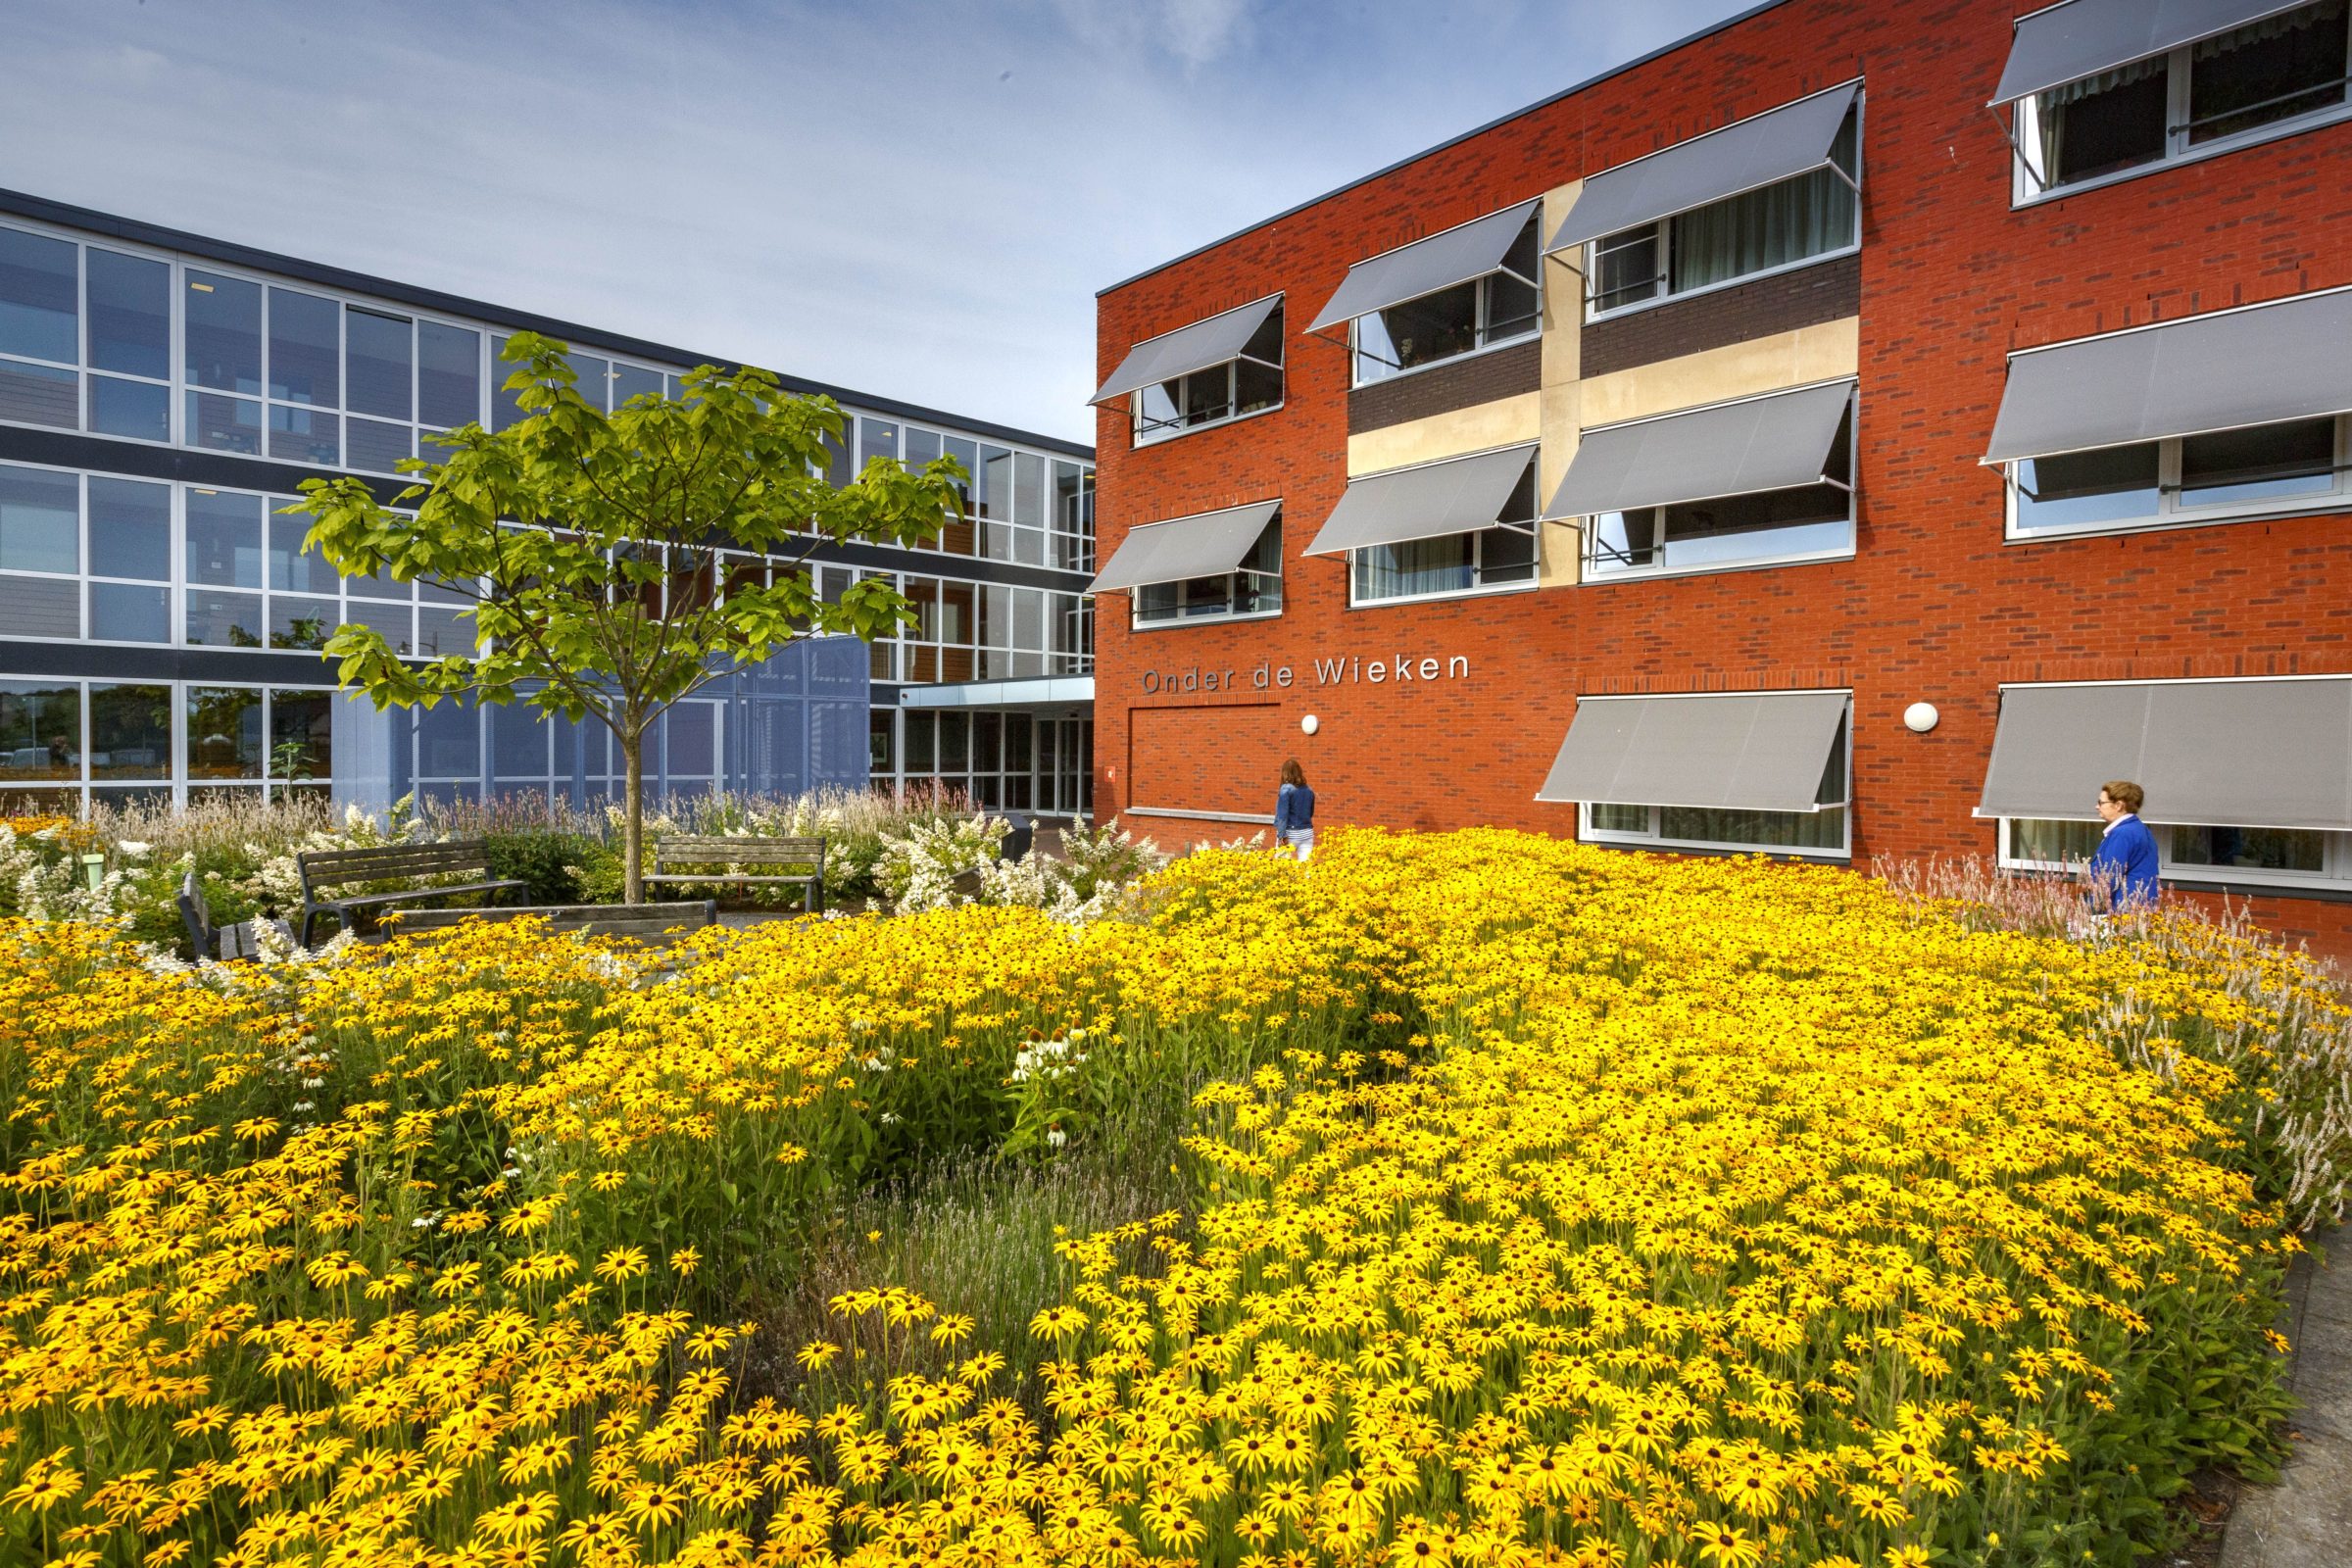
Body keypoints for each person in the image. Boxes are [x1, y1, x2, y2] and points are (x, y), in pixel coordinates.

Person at [2083, 778, 2160, 912]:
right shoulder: (2140, 829)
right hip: (2139, 907)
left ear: (2118, 805)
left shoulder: (2122, 833)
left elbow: (2109, 879)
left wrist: (2087, 910)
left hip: (2122, 910)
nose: (2097, 807)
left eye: (2101, 802)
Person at [1272, 759, 1315, 861]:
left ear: (1284, 773)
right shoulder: (1309, 789)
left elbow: (1282, 815)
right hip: (1307, 832)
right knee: (1305, 867)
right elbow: (1310, 813)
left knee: (1282, 866)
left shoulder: (1285, 789)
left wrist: (1281, 835)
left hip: (1290, 833)